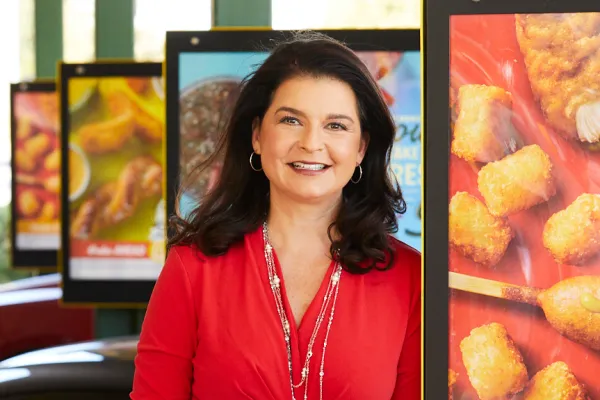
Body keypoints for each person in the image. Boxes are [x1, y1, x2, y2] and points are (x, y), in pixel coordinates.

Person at [131, 31, 421, 400]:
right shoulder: (193, 268)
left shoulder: (410, 279)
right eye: (290, 120)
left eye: (336, 125)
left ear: (362, 147)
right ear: (256, 135)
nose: (311, 143)